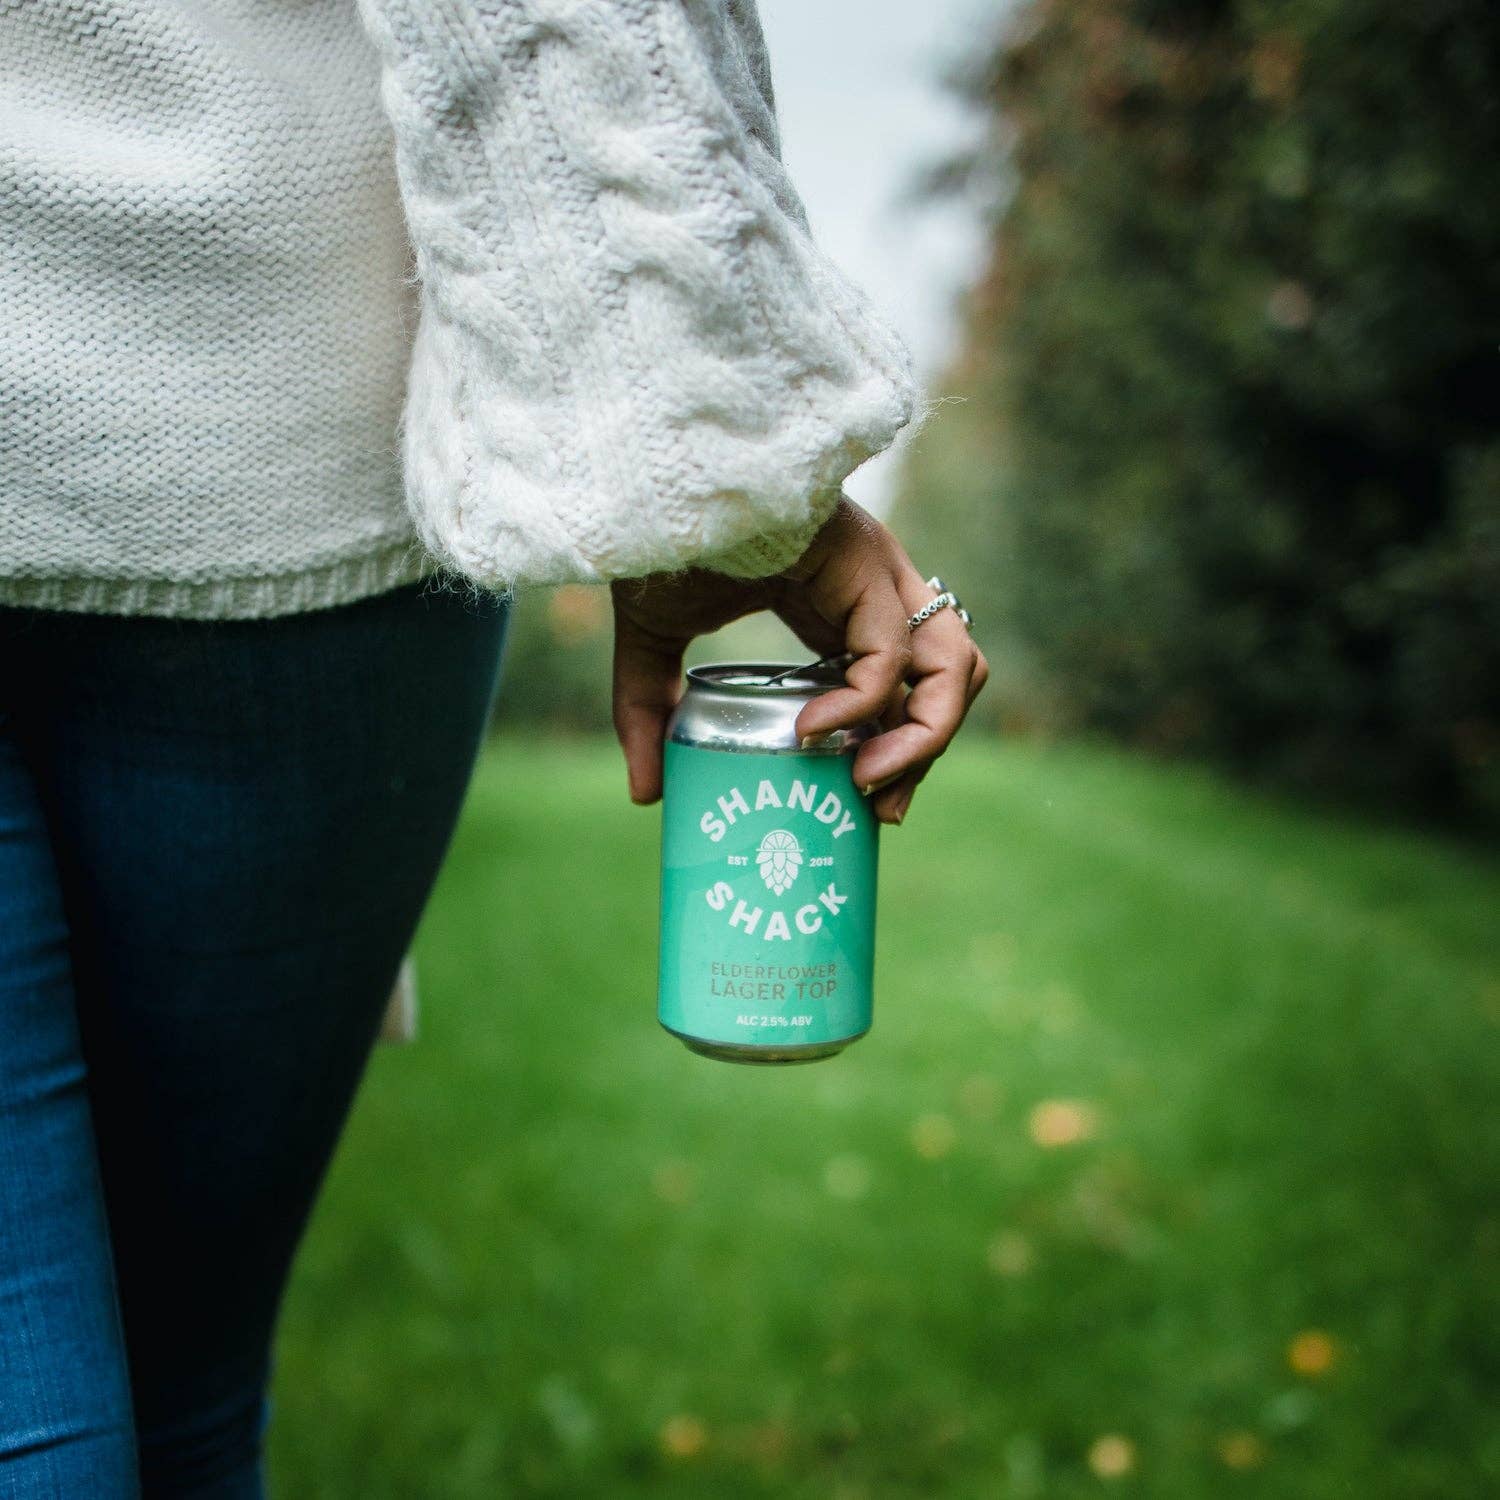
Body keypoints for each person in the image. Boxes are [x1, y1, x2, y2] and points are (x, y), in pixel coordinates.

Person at [0, 0, 988, 1494]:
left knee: (169, 1375)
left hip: (276, 491)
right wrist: (724, 474)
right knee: (174, 1388)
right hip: (272, 440)